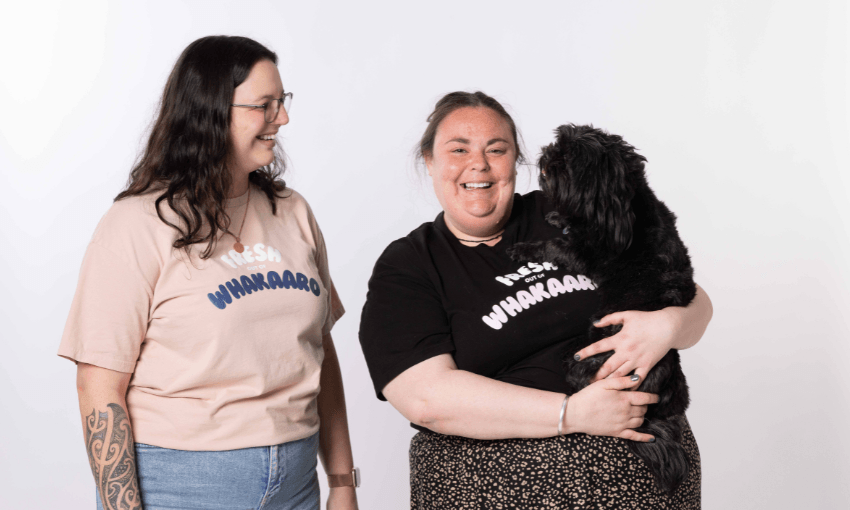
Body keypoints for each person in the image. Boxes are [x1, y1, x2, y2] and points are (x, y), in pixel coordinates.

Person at [358, 91, 713, 509]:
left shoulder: (562, 212)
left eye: (497, 149)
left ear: (516, 160)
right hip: (496, 488)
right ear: (430, 162)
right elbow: (425, 398)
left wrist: (667, 325)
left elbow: (686, 290)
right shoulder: (411, 264)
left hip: (648, 474)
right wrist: (571, 414)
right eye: (458, 149)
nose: (479, 164)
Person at [59, 36, 359, 510]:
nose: (282, 118)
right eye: (265, 105)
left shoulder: (293, 212)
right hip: (181, 483)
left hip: (298, 479)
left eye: (283, 102)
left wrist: (342, 482)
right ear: (212, 111)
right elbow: (99, 385)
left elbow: (321, 351)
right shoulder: (137, 225)